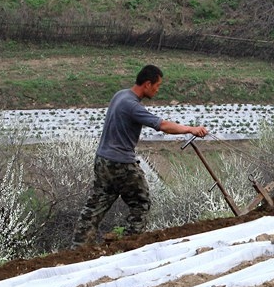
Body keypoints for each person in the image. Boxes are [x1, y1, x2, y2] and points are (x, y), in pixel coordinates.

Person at [74, 64, 208, 245]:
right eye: (157, 85)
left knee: (95, 207)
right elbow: (162, 125)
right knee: (141, 204)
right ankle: (128, 245)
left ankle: (78, 249)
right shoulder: (132, 106)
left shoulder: (120, 95)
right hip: (121, 163)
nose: (157, 90)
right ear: (147, 84)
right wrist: (191, 129)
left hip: (102, 161)